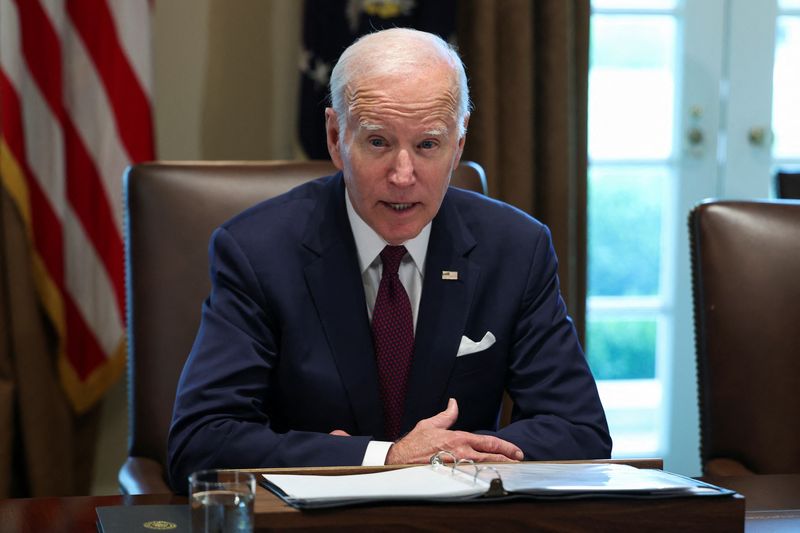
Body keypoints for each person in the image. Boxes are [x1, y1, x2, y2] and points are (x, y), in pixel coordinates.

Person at [167, 27, 611, 491]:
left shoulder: (516, 248)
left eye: (427, 145)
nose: (403, 175)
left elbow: (580, 432)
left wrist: (450, 457)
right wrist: (383, 458)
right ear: (337, 138)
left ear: (458, 145)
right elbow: (199, 443)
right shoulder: (257, 251)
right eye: (378, 142)